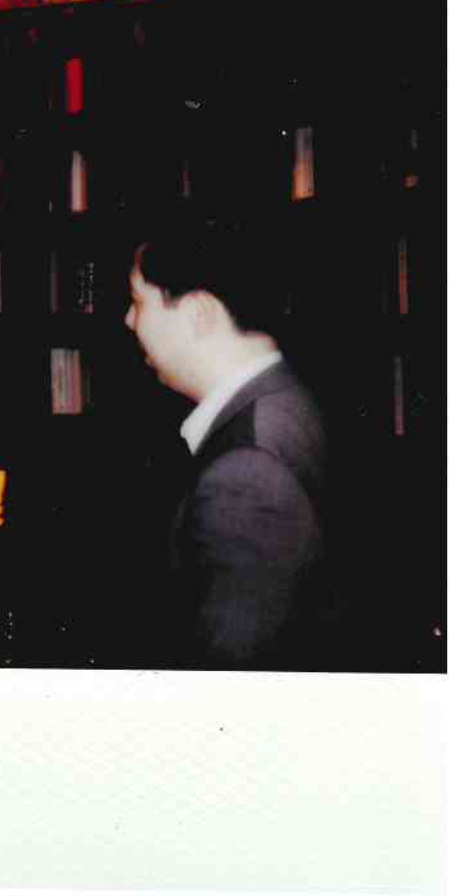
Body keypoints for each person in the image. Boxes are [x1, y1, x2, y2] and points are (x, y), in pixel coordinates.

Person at [124, 223, 335, 670]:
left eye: (139, 302)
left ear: (198, 313)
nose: (129, 320)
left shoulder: (246, 476)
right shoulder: (287, 398)